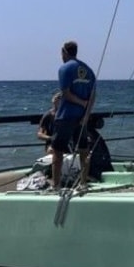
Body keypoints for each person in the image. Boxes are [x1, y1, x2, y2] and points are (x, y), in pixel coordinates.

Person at [51, 41, 96, 189]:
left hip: (65, 116)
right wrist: (87, 114)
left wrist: (82, 103)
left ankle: (56, 185)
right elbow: (93, 95)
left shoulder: (65, 68)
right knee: (83, 150)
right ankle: (83, 183)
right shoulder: (88, 70)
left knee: (57, 151)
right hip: (82, 118)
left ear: (64, 52)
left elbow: (67, 94)